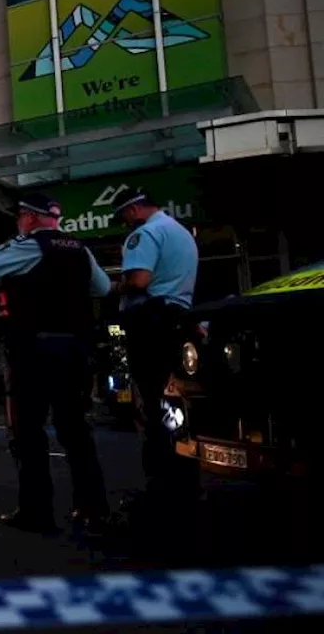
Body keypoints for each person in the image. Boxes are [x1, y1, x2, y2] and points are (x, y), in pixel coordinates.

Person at [0, 193, 112, 535]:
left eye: (20, 217)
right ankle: (93, 507)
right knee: (76, 429)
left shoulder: (32, 247)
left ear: (30, 217)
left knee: (29, 431)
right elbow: (102, 287)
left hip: (35, 350)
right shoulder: (80, 249)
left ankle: (36, 509)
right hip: (74, 349)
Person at [108, 187, 200, 525]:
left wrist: (115, 286)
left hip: (150, 324)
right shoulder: (180, 233)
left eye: (122, 217)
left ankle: (159, 487)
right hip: (177, 323)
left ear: (132, 211)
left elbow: (139, 280)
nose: (123, 224)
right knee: (174, 405)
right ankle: (185, 481)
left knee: (149, 406)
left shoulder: (143, 235)